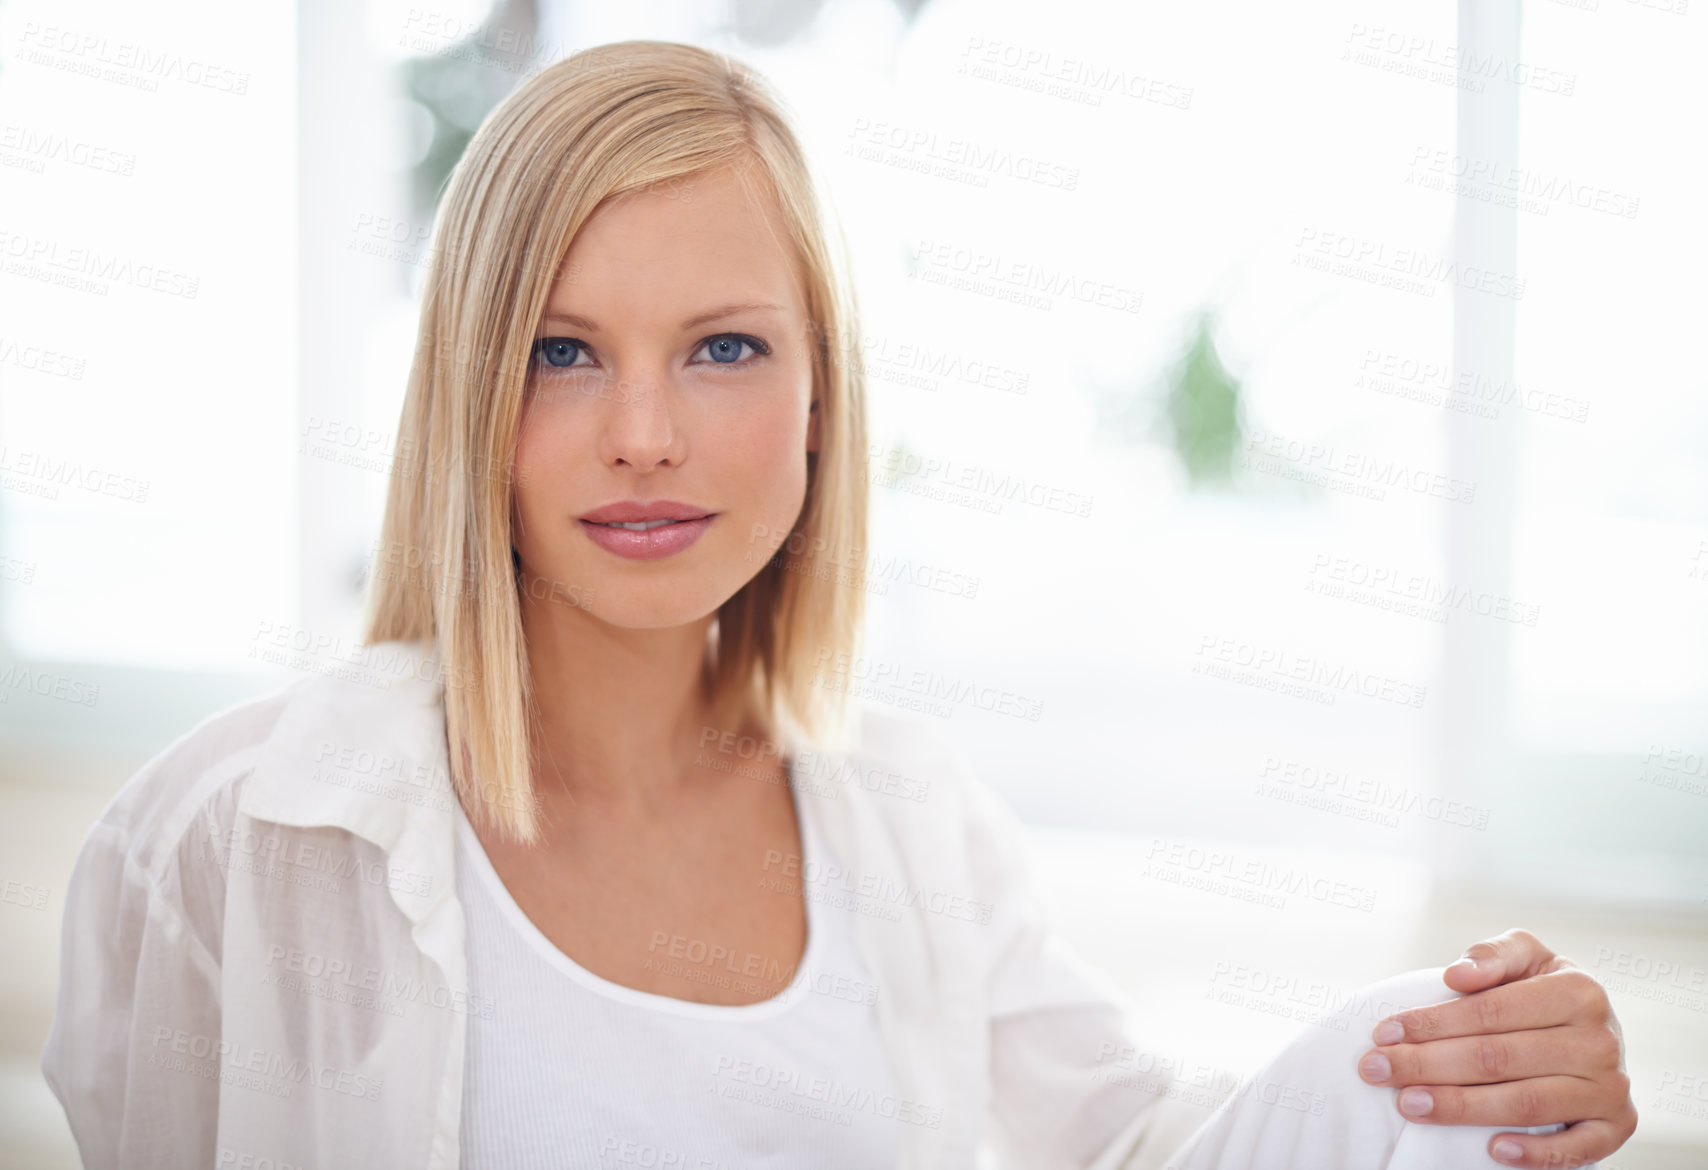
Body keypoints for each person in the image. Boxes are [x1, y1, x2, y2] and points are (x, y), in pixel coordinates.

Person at [41, 40, 1636, 1170]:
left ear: (820, 401)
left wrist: (1465, 1051)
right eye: (562, 348)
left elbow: (1141, 1145)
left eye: (724, 347)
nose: (644, 433)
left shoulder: (909, 819)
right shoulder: (242, 830)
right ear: (467, 393)